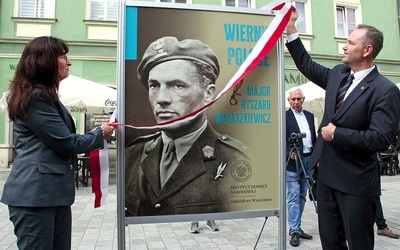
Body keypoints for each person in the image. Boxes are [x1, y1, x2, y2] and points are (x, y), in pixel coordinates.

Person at [285, 9, 400, 249]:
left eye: (350, 42)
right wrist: (292, 29)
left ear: (367, 50)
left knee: (359, 243)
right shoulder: (339, 74)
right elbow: (307, 65)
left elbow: (381, 138)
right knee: (330, 241)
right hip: (326, 178)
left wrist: (336, 134)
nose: (344, 47)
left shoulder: (385, 90)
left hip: (355, 183)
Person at [0, 36, 115, 250]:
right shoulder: (35, 97)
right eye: (63, 56)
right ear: (45, 61)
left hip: (52, 195)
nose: (68, 62)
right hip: (34, 196)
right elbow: (65, 143)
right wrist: (99, 134)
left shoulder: (44, 95)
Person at [125, 36, 251, 216]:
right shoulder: (132, 154)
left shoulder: (235, 159)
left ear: (208, 94)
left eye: (177, 86)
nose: (161, 98)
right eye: (154, 85)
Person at [285, 87, 316, 247]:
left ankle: (297, 226)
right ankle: (294, 230)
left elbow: (314, 138)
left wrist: (317, 158)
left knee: (303, 195)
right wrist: (289, 151)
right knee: (293, 196)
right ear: (288, 101)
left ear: (303, 99)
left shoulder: (310, 116)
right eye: (293, 99)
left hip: (309, 159)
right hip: (292, 162)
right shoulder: (284, 117)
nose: (296, 102)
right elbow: (280, 140)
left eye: (299, 99)